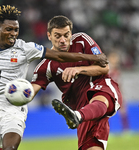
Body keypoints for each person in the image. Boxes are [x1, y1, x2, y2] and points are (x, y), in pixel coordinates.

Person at [0, 5, 108, 150]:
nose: (14, 33)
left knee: (10, 147)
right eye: (9, 29)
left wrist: (94, 58)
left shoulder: (26, 48)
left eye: (16, 30)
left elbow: (59, 55)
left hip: (14, 109)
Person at [31, 15, 122, 150]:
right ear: (49, 36)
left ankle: (77, 115)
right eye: (57, 36)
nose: (63, 40)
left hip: (100, 86)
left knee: (100, 97)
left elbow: (105, 67)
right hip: (83, 109)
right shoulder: (46, 65)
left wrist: (78, 69)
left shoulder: (81, 40)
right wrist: (19, 93)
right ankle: (78, 115)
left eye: (66, 35)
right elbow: (31, 90)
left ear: (71, 34)